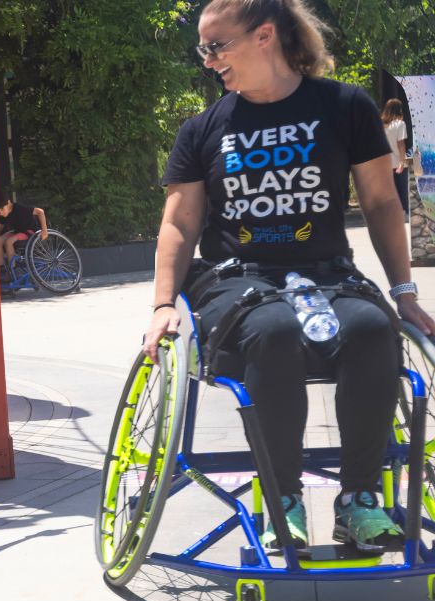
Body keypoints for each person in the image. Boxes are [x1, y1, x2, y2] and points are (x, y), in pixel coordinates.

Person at [145, 0, 435, 555]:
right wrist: (163, 305)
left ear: (265, 36)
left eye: (216, 45)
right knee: (274, 330)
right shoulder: (203, 129)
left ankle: (360, 501)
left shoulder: (344, 105)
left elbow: (379, 202)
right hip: (239, 279)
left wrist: (403, 294)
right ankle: (282, 499)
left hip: (327, 274)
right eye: (203, 49)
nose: (207, 60)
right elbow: (180, 223)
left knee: (373, 329)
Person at [0, 194, 48, 267]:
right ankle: (1, 268)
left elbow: (40, 211)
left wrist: (44, 230)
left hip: (29, 233)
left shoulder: (20, 208)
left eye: (2, 209)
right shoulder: (4, 215)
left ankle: (13, 267)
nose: (0, 212)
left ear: (9, 203)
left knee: (8, 242)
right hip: (17, 232)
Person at [382, 98, 410, 216]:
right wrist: (402, 162)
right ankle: (404, 214)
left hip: (384, 163)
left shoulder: (381, 124)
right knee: (402, 189)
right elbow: (401, 144)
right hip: (397, 162)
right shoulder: (400, 124)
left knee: (389, 191)